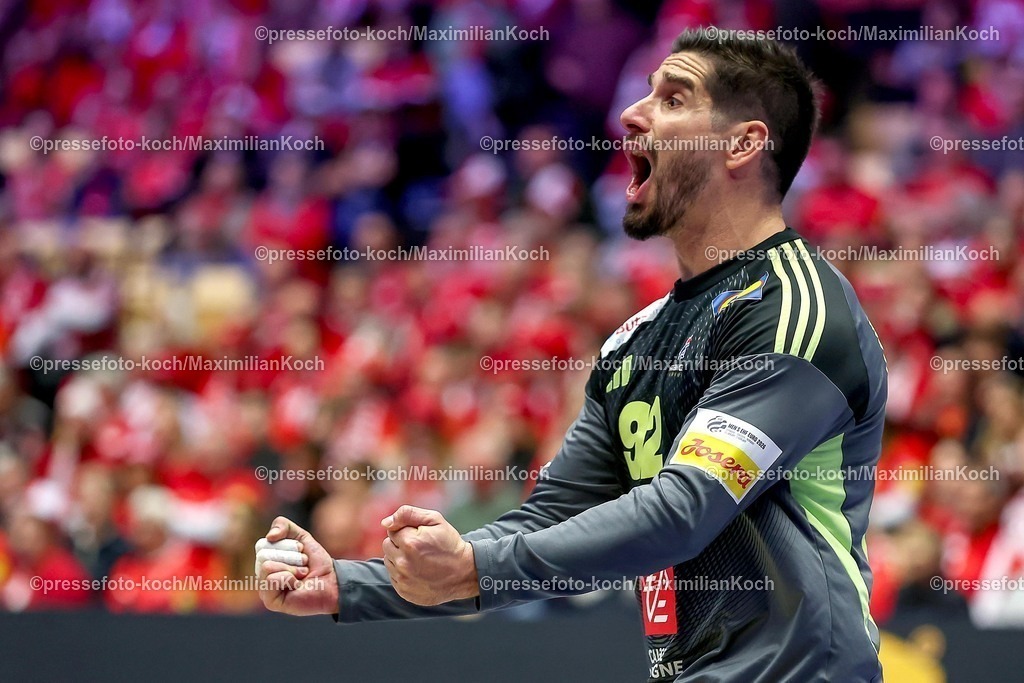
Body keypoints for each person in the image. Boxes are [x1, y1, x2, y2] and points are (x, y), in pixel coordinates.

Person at [255, 28, 887, 682]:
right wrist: (350, 585)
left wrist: (473, 568)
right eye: (645, 92)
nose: (632, 112)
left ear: (744, 144)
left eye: (673, 99)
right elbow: (551, 519)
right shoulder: (636, 342)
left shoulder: (794, 309)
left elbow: (684, 509)